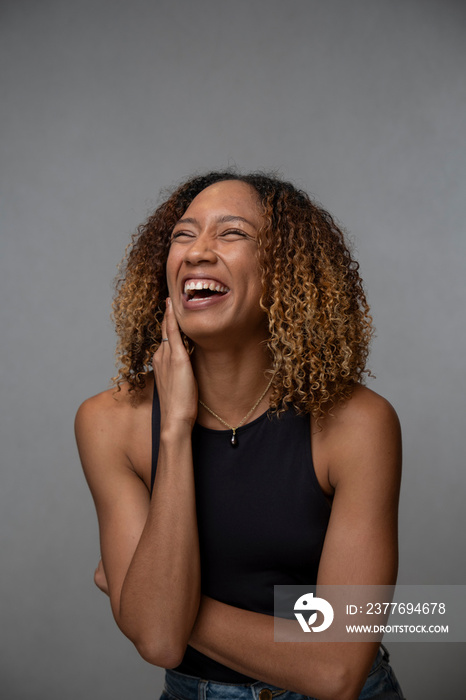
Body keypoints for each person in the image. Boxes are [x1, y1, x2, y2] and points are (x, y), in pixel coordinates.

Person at [75, 171, 404, 700]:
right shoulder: (109, 422)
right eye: (184, 234)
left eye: (232, 234)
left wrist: (154, 602)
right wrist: (175, 431)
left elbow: (336, 670)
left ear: (287, 272)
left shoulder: (358, 425)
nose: (197, 251)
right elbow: (158, 643)